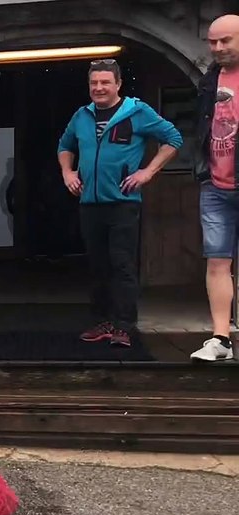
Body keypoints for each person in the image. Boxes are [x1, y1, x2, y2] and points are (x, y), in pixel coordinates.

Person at [58, 58, 182, 347]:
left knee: (122, 265)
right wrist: (68, 172)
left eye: (105, 82)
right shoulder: (82, 115)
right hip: (90, 203)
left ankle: (124, 326)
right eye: (94, 83)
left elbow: (173, 139)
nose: (99, 88)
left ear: (118, 84)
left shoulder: (137, 112)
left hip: (123, 203)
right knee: (98, 266)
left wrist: (148, 171)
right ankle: (102, 321)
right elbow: (65, 146)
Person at [190, 14, 239, 362]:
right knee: (217, 262)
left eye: (226, 41)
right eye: (213, 42)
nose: (219, 48)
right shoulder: (209, 79)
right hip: (216, 183)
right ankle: (220, 339)